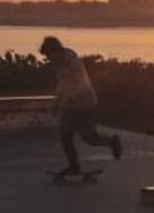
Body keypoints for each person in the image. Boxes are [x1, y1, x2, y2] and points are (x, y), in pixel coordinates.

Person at [40, 36, 121, 174]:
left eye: (49, 56)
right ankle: (74, 166)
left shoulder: (73, 62)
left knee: (89, 138)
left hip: (87, 105)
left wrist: (65, 102)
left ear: (56, 51)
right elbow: (61, 85)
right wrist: (56, 104)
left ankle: (112, 142)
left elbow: (79, 85)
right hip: (71, 106)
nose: (49, 60)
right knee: (65, 135)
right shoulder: (58, 65)